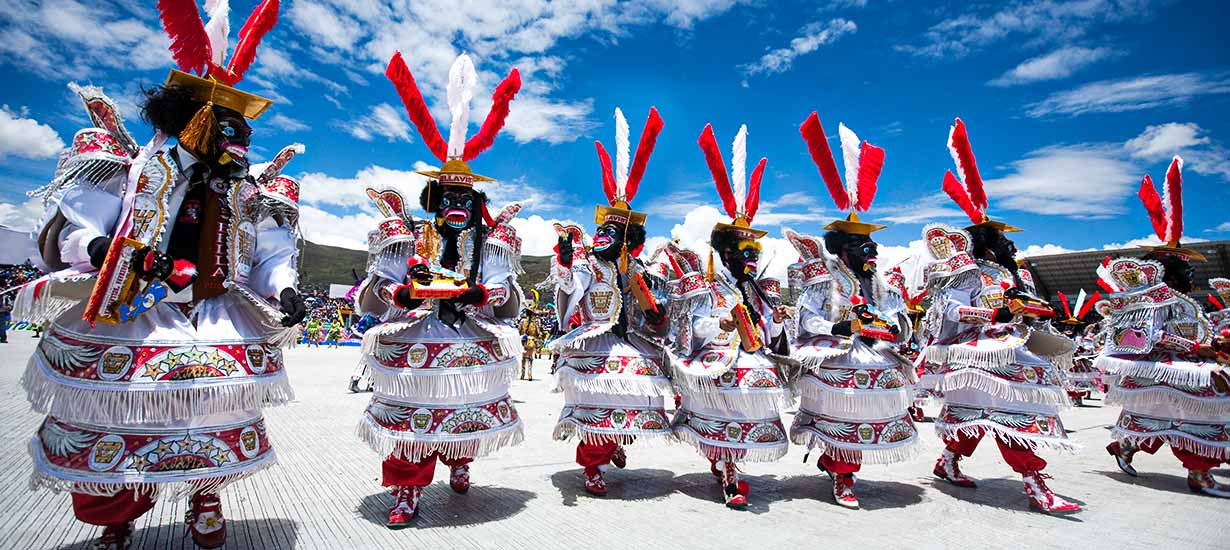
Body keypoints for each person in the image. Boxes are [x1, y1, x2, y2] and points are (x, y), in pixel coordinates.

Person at [16, 2, 306, 548]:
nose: (239, 141)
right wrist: (101, 247)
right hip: (135, 306)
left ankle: (205, 495)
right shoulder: (135, 170)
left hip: (216, 310)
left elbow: (267, 254)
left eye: (241, 132)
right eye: (228, 128)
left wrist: (284, 286)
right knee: (122, 411)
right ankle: (118, 511)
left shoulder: (246, 193)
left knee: (212, 409)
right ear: (193, 121)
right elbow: (71, 231)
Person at [354, 51, 525, 527]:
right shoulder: (407, 236)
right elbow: (377, 287)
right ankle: (407, 488)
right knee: (412, 420)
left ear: (476, 203)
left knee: (463, 409)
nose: (455, 204)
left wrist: (481, 296)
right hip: (416, 336)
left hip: (469, 337)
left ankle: (461, 459)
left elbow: (506, 293)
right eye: (446, 196)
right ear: (434, 200)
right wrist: (399, 296)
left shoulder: (493, 243)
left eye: (464, 198)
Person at [918, 118, 1079, 514]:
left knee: (990, 417)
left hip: (1016, 349)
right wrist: (995, 312)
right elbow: (951, 311)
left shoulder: (1015, 274)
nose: (1011, 244)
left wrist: (1030, 313)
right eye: (1003, 239)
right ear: (987, 246)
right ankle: (1034, 483)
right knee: (1011, 417)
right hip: (982, 354)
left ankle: (949, 459)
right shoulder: (968, 272)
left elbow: (1028, 311)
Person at [784, 112, 918, 509]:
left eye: (873, 247)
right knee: (844, 405)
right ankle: (843, 475)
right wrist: (837, 325)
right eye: (864, 247)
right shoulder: (824, 278)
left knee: (871, 405)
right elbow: (805, 317)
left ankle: (839, 463)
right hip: (839, 351)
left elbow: (897, 314)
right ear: (843, 249)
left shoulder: (881, 283)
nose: (873, 252)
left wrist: (896, 327)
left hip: (875, 352)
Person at [666, 123, 792, 509]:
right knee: (724, 407)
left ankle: (727, 463)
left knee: (747, 406)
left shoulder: (758, 287)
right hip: (720, 356)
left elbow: (768, 329)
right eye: (744, 253)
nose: (750, 259)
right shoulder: (707, 284)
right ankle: (729, 471)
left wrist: (779, 317)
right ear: (727, 253)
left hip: (753, 356)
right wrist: (720, 324)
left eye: (754, 253)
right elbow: (691, 324)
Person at [549, 107, 670, 495]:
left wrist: (656, 315)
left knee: (636, 390)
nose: (605, 236)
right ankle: (592, 464)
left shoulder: (634, 268)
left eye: (614, 231)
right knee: (600, 396)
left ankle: (615, 441)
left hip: (628, 340)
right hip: (595, 339)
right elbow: (571, 287)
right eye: (604, 229)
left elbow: (650, 304)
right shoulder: (588, 264)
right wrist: (566, 264)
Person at [1102, 156, 1230, 497]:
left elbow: (1192, 329)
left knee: (1172, 415)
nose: (1192, 275)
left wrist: (1213, 343)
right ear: (1168, 270)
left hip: (1181, 364)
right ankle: (1198, 472)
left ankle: (1126, 445)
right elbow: (1148, 335)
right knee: (1201, 409)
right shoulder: (1151, 297)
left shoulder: (1178, 298)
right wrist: (1196, 349)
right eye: (1185, 269)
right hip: (1163, 366)